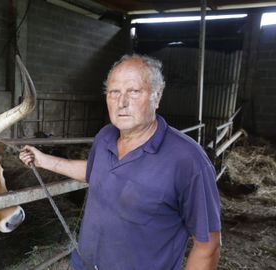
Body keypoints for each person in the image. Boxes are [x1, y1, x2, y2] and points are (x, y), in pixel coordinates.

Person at [19, 54, 221, 270]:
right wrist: (43, 160)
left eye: (134, 92)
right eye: (114, 92)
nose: (122, 103)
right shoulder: (106, 136)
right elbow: (95, 170)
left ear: (157, 96)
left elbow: (208, 246)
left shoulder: (187, 160)